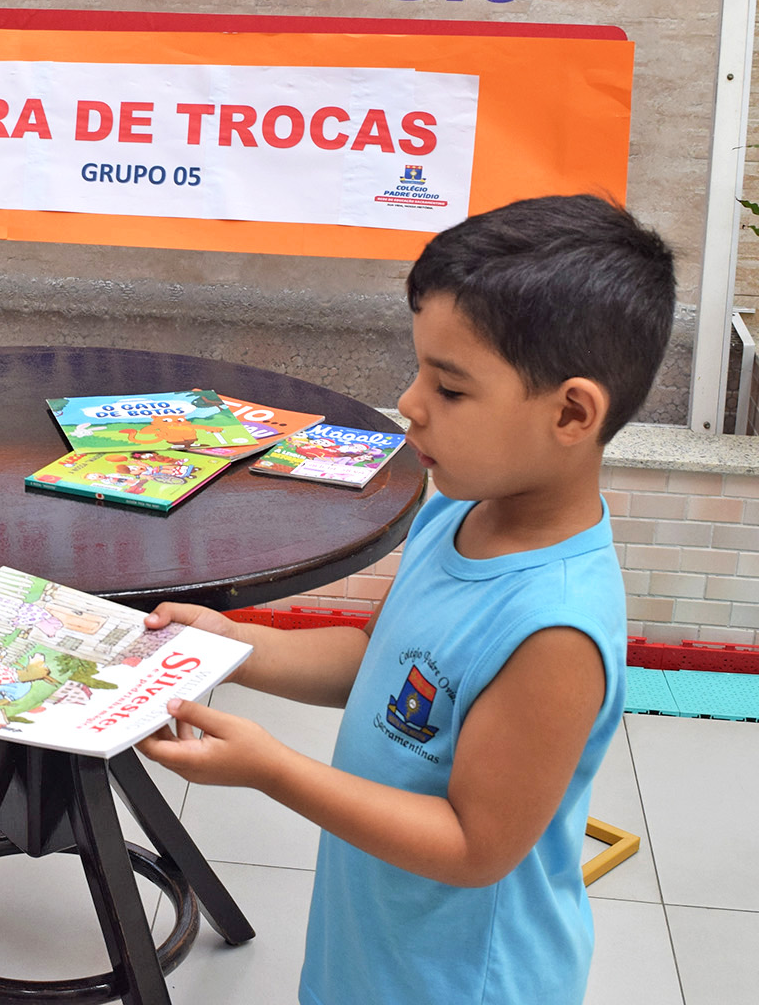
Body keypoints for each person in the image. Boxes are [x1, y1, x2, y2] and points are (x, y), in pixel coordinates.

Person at [138, 194, 676, 1005]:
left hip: (464, 983)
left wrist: (271, 769)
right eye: (421, 368)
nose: (411, 403)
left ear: (571, 412)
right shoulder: (460, 511)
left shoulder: (554, 630)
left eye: (450, 388)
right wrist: (231, 645)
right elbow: (378, 658)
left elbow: (473, 847)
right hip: (374, 952)